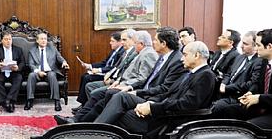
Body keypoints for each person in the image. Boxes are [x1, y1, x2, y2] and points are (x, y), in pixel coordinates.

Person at [56, 27, 184, 124]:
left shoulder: (174, 60)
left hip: (151, 97)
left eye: (155, 39)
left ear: (164, 43)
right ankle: (78, 121)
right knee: (102, 95)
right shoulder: (164, 57)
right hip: (141, 89)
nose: (152, 42)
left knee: (117, 95)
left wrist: (133, 90)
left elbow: (163, 88)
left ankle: (97, 128)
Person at [86, 41, 215, 135]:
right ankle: (96, 132)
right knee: (120, 96)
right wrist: (149, 102)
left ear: (197, 56)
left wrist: (152, 107)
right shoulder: (192, 73)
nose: (182, 59)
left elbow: (186, 104)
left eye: (185, 55)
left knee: (120, 113)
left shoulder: (206, 76)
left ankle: (96, 134)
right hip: (162, 109)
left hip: (168, 119)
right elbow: (167, 94)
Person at [211, 31, 264, 118]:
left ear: (255, 46)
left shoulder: (259, 61)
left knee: (217, 108)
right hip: (225, 92)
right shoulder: (240, 57)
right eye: (242, 43)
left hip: (238, 96)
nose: (241, 46)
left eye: (245, 44)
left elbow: (251, 83)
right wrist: (223, 83)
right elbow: (229, 74)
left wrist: (227, 88)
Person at [72, 32, 124, 112]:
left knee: (87, 78)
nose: (110, 43)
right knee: (84, 76)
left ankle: (85, 105)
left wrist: (99, 70)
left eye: (112, 41)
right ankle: (84, 104)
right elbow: (104, 63)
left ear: (119, 42)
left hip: (109, 75)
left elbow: (113, 67)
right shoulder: (113, 51)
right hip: (105, 72)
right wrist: (90, 66)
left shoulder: (121, 53)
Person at [25, 32, 69, 111]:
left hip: (49, 71)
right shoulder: (32, 51)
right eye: (41, 39)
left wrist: (64, 62)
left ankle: (57, 101)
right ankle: (29, 100)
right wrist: (38, 72)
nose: (44, 41)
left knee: (52, 75)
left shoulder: (52, 48)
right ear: (37, 41)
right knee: (31, 75)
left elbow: (59, 57)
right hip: (37, 72)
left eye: (45, 39)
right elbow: (31, 65)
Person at [239, 28, 272, 130]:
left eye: (258, 45)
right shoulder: (264, 62)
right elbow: (257, 83)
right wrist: (250, 93)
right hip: (263, 106)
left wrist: (258, 98)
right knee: (226, 111)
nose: (255, 49)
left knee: (247, 128)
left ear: (269, 46)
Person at [0, 31, 26, 113]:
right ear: (1, 40)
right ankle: (5, 102)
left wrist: (18, 67)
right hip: (1, 72)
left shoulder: (18, 49)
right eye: (6, 39)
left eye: (10, 39)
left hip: (14, 72)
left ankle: (9, 101)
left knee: (19, 78)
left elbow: (23, 63)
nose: (8, 41)